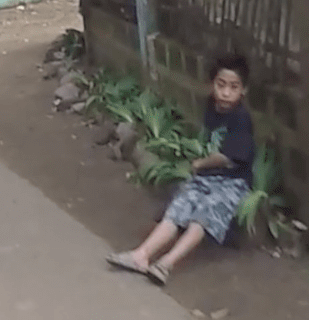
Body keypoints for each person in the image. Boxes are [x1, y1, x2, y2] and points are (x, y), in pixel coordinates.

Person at [106, 54, 256, 286]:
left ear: (243, 90)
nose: (226, 93)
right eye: (221, 85)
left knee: (202, 218)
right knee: (177, 210)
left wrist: (199, 163)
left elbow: (226, 158)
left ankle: (166, 264)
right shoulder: (212, 106)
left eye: (233, 87)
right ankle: (141, 255)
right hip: (206, 178)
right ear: (212, 84)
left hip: (231, 182)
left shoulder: (241, 119)